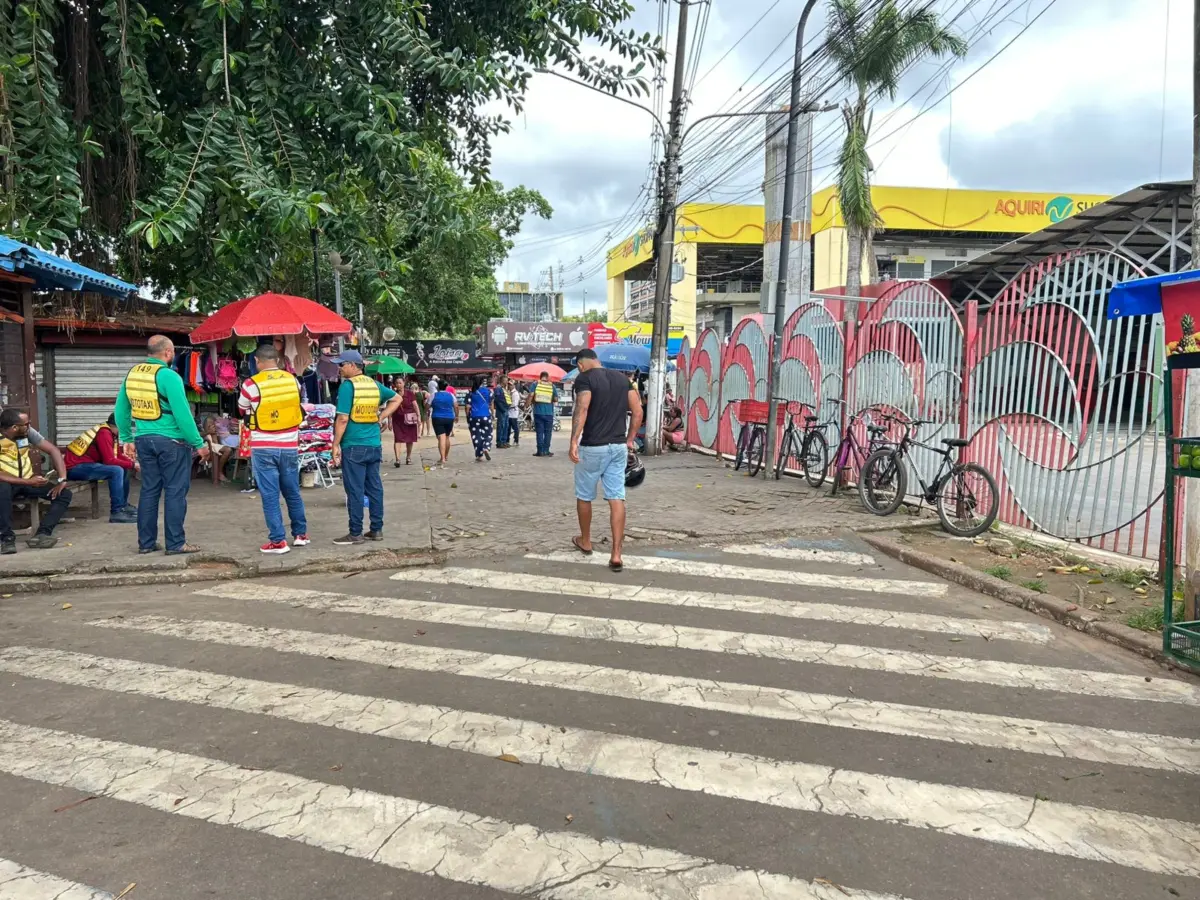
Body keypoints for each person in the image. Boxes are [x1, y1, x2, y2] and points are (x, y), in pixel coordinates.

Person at [116, 334, 209, 555]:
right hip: (172, 443)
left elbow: (120, 410)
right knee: (175, 492)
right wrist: (199, 443)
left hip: (144, 440)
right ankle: (176, 543)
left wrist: (127, 438)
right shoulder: (168, 376)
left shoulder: (133, 374)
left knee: (149, 491)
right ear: (167, 352)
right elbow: (183, 415)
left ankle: (146, 543)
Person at [568, 348, 642, 572]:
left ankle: (586, 541)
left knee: (584, 495)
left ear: (581, 364)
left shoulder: (584, 378)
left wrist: (573, 440)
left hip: (593, 446)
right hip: (618, 447)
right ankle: (616, 554)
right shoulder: (623, 379)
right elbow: (638, 411)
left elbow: (582, 408)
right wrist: (629, 440)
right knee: (617, 497)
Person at [238, 343, 309, 554]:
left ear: (257, 361)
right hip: (289, 445)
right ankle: (300, 535)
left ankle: (278, 541)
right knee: (292, 492)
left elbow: (242, 409)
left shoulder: (251, 384)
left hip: (263, 446)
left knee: (270, 495)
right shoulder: (292, 380)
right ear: (277, 360)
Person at [330, 350, 402, 545]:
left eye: (342, 364)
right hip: (373, 445)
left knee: (355, 490)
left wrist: (335, 444)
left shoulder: (348, 386)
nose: (340, 368)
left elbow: (343, 418)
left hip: (354, 446)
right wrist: (381, 417)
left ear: (353, 365)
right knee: (374, 488)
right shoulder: (374, 385)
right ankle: (376, 529)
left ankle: (355, 532)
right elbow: (397, 399)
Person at [0, 410, 73, 552]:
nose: (29, 426)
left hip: (28, 481)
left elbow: (53, 450)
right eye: (26, 424)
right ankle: (6, 539)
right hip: (7, 483)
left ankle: (42, 535)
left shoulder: (26, 432)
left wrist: (62, 479)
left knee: (64, 494)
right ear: (15, 427)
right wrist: (28, 482)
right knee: (2, 490)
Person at [64, 413, 137, 523]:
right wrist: (133, 465)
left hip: (86, 465)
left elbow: (116, 455)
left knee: (123, 468)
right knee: (116, 471)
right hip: (75, 468)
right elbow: (109, 460)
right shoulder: (104, 433)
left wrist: (133, 463)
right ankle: (116, 512)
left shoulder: (111, 433)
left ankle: (123, 505)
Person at [390, 376, 421, 466]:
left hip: (409, 419)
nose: (398, 385)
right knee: (397, 439)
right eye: (397, 383)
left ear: (404, 383)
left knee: (410, 439)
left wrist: (418, 417)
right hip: (397, 420)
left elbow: (415, 405)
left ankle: (408, 457)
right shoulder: (393, 394)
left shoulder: (410, 394)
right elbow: (390, 408)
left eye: (400, 383)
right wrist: (389, 420)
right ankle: (397, 459)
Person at [429, 379, 458, 467]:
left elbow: (427, 405)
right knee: (447, 437)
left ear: (437, 387)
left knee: (441, 438)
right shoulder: (451, 395)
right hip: (449, 417)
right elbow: (456, 406)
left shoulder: (434, 395)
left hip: (437, 417)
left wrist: (427, 411)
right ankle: (446, 456)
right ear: (446, 387)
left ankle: (442, 458)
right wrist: (456, 416)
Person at [466, 375, 494, 462]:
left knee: (476, 436)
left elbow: (467, 407)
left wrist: (468, 416)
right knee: (488, 433)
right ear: (483, 382)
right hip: (486, 416)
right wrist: (492, 414)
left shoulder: (471, 393)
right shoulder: (489, 391)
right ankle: (486, 447)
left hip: (474, 417)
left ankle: (479, 455)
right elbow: (491, 404)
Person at [531, 371, 558, 457]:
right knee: (548, 432)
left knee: (539, 432)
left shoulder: (535, 384)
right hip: (549, 413)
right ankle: (546, 450)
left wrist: (529, 402)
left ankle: (540, 451)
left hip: (538, 412)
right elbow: (556, 399)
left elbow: (531, 395)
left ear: (540, 377)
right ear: (548, 377)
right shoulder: (552, 386)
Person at [494, 376, 512, 448]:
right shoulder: (498, 388)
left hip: (506, 409)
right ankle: (499, 442)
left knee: (506, 426)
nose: (507, 382)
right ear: (502, 381)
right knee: (501, 426)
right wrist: (502, 408)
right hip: (502, 410)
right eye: (506, 380)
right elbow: (497, 400)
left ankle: (504, 441)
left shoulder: (504, 389)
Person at [507, 378, 522, 447]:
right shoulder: (509, 392)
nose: (509, 386)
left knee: (515, 427)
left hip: (513, 413)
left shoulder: (515, 393)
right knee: (508, 428)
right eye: (509, 385)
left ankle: (516, 441)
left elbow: (514, 404)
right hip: (509, 413)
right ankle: (507, 440)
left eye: (510, 385)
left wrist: (507, 406)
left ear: (514, 386)